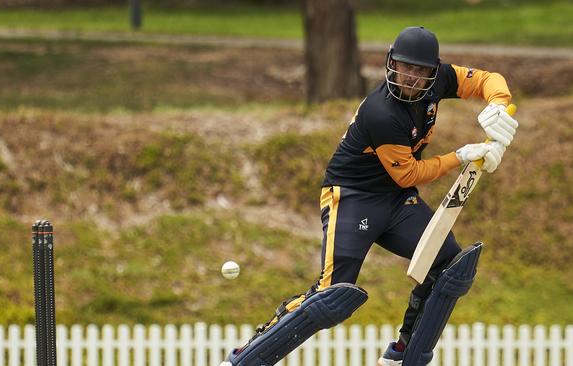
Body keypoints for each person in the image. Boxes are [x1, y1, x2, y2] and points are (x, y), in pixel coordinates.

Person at [221, 26, 518, 366]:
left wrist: (499, 104)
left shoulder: (441, 80)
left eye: (419, 71)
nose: (409, 77)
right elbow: (408, 173)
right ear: (391, 63)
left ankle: (402, 354)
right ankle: (246, 356)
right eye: (404, 67)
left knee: (447, 263)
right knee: (331, 295)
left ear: (433, 72)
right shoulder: (382, 112)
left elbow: (487, 79)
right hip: (352, 197)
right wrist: (462, 156)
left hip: (395, 200)